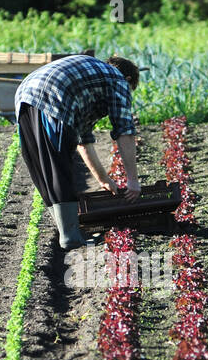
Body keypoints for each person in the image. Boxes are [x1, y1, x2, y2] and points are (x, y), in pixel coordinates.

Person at [15, 53, 142, 250]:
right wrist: (133, 180)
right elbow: (124, 131)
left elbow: (84, 141)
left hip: (25, 93)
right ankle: (71, 238)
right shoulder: (118, 80)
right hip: (52, 93)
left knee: (44, 168)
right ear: (128, 80)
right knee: (59, 165)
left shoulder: (89, 82)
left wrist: (103, 180)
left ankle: (67, 231)